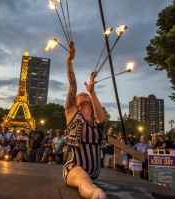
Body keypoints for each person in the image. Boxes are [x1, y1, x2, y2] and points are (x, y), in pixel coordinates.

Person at [62, 42, 107, 199]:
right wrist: (69, 61)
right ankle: (96, 194)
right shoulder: (72, 113)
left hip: (95, 171)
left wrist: (92, 92)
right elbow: (73, 84)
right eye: (79, 94)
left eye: (85, 94)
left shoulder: (97, 118)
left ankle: (92, 188)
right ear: (76, 102)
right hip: (75, 167)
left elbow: (103, 120)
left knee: (87, 178)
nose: (82, 94)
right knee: (84, 179)